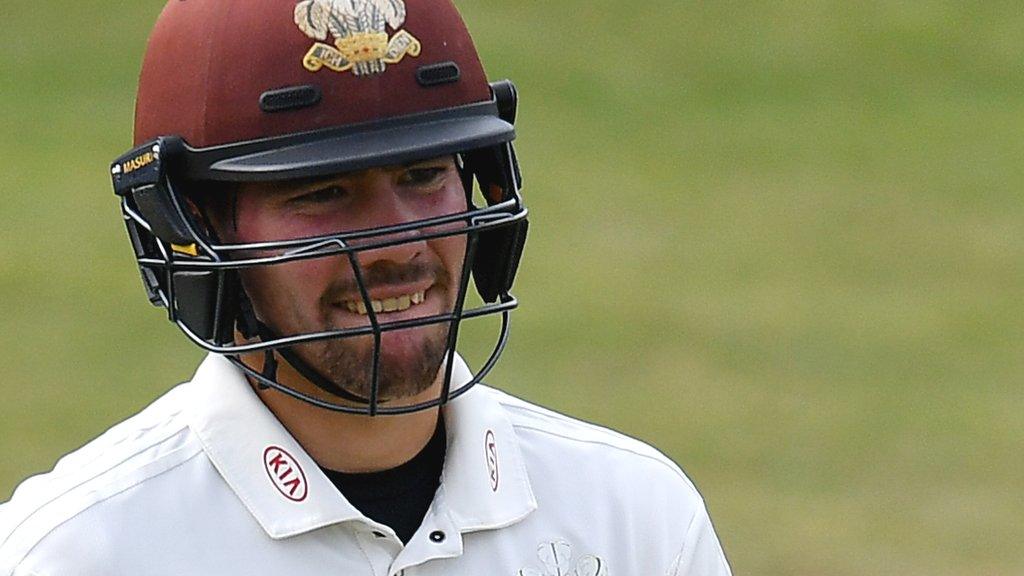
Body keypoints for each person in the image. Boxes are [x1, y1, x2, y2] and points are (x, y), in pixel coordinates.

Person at [0, 1, 732, 574]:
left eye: (423, 177)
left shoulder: (633, 521)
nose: (399, 244)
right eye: (322, 193)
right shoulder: (77, 555)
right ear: (195, 229)